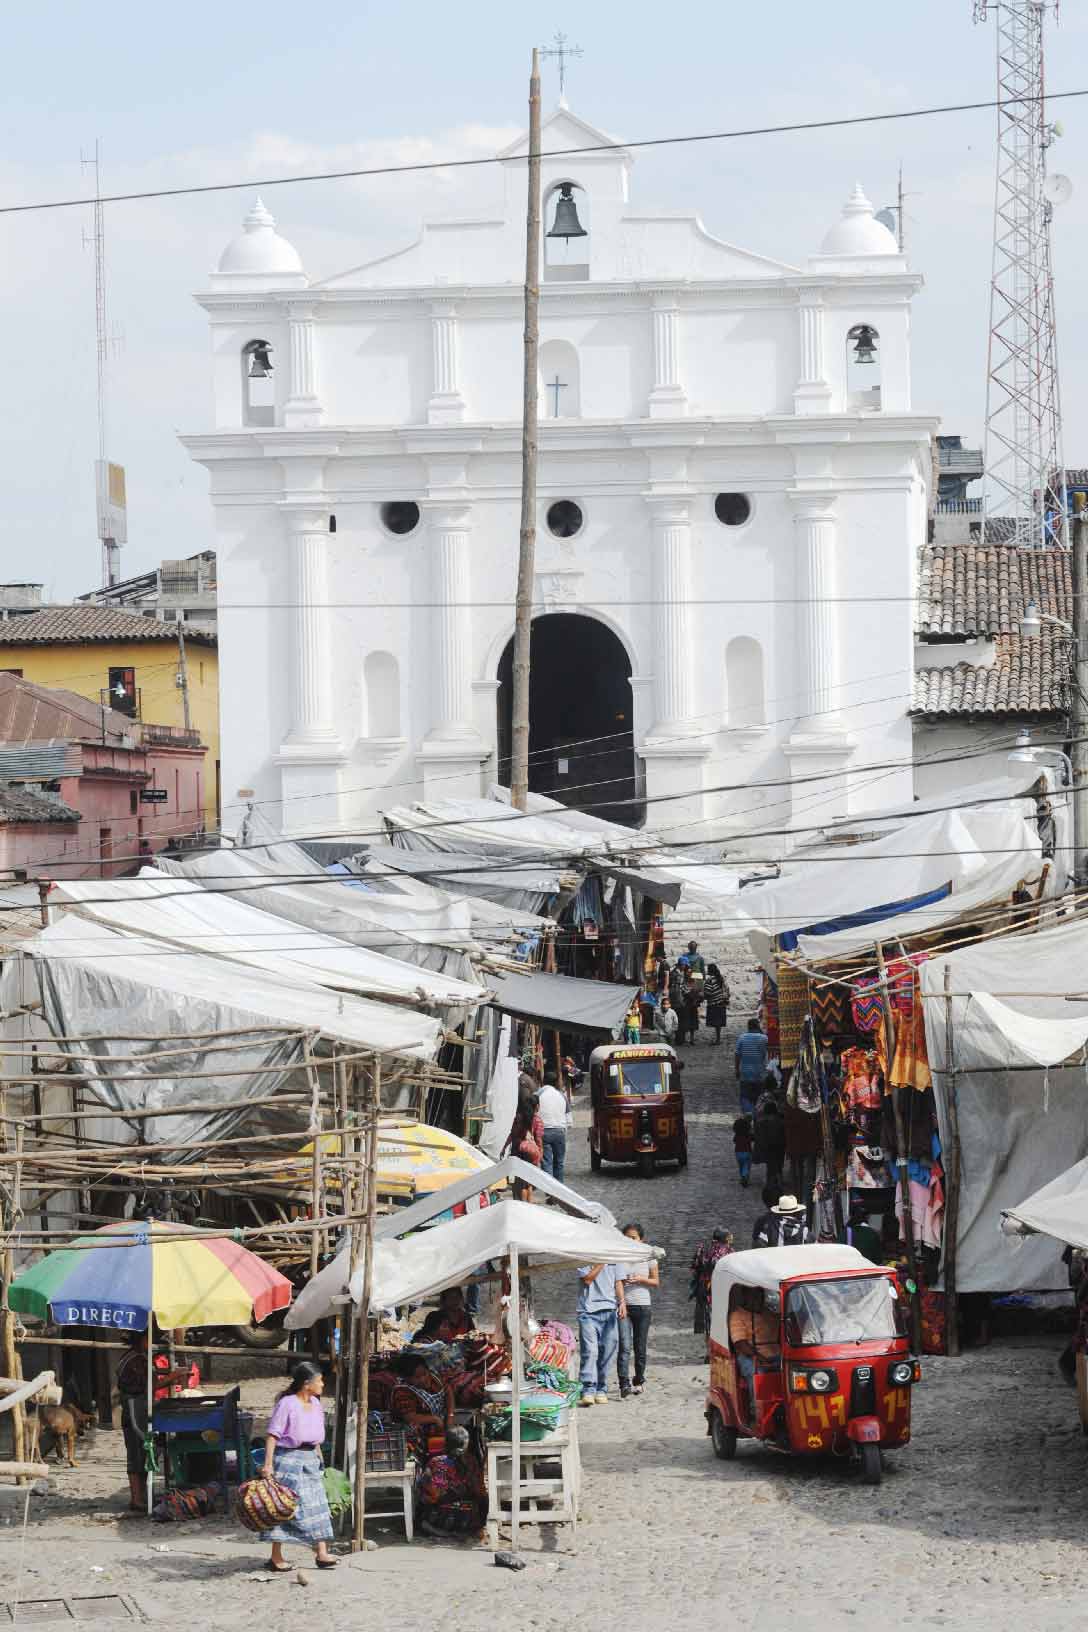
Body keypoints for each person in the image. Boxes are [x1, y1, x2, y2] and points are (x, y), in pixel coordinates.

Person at [263, 1361, 337, 1572]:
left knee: (318, 1506)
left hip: (311, 1460)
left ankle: (322, 1553)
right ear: (307, 1383)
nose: (323, 1384)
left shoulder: (316, 1403)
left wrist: (321, 1463)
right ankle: (276, 1557)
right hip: (288, 1461)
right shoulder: (287, 1404)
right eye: (320, 1380)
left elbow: (316, 1440)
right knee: (283, 1507)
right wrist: (268, 1465)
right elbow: (272, 1435)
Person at [116, 1329, 189, 1512]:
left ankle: (141, 1496)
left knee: (141, 1453)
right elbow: (149, 1386)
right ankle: (137, 1498)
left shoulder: (135, 1357)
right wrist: (172, 1378)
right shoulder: (136, 1360)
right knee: (136, 1454)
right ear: (141, 1340)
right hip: (134, 1411)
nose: (152, 1343)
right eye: (149, 1339)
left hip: (137, 1408)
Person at [416, 1426, 486, 1538]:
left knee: (422, 1503)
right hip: (467, 1521)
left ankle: (441, 1530)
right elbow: (480, 1492)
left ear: (446, 1443)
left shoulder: (435, 1462)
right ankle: (466, 1530)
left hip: (439, 1521)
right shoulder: (472, 1461)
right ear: (466, 1444)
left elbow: (428, 1495)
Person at [616, 1222, 658, 1398]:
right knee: (624, 1345)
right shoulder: (618, 1255)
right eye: (626, 1237)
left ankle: (639, 1380)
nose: (629, 1240)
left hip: (642, 1305)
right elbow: (615, 1279)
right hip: (623, 1305)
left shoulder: (649, 1255)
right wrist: (621, 1299)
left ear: (641, 1239)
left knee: (640, 1346)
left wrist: (641, 1278)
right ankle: (623, 1383)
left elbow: (656, 1281)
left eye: (633, 1238)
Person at [576, 1261, 626, 1406]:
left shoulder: (615, 1259)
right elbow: (587, 1279)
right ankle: (588, 1389)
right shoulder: (584, 1257)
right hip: (587, 1312)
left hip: (610, 1310)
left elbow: (618, 1282)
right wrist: (602, 1262)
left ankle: (601, 1389)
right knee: (590, 1351)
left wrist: (622, 1302)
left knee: (608, 1351)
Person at [689, 1228, 733, 1356]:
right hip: (723, 1290)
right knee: (724, 1319)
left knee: (709, 1322)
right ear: (725, 1239)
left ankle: (710, 1353)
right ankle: (724, 1350)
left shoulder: (704, 1250)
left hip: (706, 1291)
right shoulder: (728, 1251)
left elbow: (694, 1268)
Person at [537, 1075, 569, 1184]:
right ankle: (560, 1189)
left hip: (544, 1131)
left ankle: (550, 1192)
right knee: (559, 1162)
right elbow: (568, 1116)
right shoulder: (562, 1095)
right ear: (555, 1082)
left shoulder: (538, 1094)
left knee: (546, 1163)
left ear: (542, 1081)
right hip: (559, 1131)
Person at [735, 1017, 770, 1115]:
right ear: (758, 1026)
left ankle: (748, 1112)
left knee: (745, 1096)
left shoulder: (742, 1038)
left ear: (748, 1027)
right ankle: (756, 1114)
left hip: (745, 1073)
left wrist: (737, 1070)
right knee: (759, 1096)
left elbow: (737, 1055)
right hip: (760, 1073)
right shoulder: (764, 1038)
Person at [753, 1094, 785, 1187]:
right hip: (779, 1146)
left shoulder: (761, 1122)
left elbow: (758, 1136)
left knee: (770, 1165)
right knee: (778, 1164)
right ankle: (779, 1180)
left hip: (768, 1147)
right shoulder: (780, 1121)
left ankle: (770, 1181)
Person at [703, 963, 729, 1044]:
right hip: (722, 1003)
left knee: (715, 1022)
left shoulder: (709, 980)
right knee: (719, 1023)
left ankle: (717, 1040)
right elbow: (727, 989)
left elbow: (708, 993)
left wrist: (701, 995)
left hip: (713, 1004)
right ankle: (718, 1038)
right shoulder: (722, 978)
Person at [678, 976, 701, 1047]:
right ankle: (690, 1039)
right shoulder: (693, 986)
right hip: (688, 1007)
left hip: (690, 1007)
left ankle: (690, 1039)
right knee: (689, 1023)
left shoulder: (686, 986)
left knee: (689, 1023)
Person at [732, 1115, 753, 1188]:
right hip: (747, 1151)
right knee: (746, 1166)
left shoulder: (737, 1135)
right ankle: (745, 1177)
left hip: (738, 1152)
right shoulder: (748, 1135)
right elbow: (753, 1139)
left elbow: (734, 1141)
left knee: (741, 1166)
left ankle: (742, 1177)